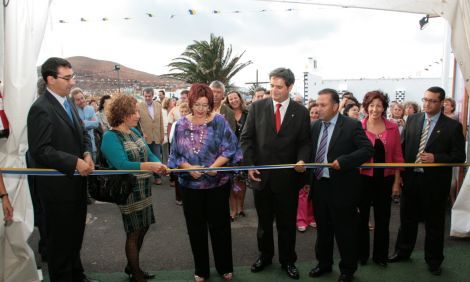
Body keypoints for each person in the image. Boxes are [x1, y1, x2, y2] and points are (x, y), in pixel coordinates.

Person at [27, 57, 97, 282]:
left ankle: (78, 275)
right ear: (50, 79)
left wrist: (86, 154)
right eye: (67, 78)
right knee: (59, 243)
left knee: (75, 237)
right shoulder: (41, 108)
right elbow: (40, 149)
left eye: (72, 76)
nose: (72, 82)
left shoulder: (69, 104)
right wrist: (74, 162)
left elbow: (82, 135)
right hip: (57, 190)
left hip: (76, 186)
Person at [240, 68, 311, 280]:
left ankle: (288, 260)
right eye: (272, 85)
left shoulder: (301, 112)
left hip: (288, 180)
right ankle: (265, 256)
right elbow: (246, 139)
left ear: (290, 87)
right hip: (261, 177)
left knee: (287, 224)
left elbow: (305, 142)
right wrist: (249, 165)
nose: (274, 90)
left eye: (279, 87)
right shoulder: (257, 107)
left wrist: (302, 159)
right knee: (263, 223)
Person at [168, 83, 242, 282]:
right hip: (190, 188)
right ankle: (201, 269)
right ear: (190, 102)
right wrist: (188, 168)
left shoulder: (219, 121)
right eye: (197, 104)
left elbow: (231, 148)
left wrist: (214, 166)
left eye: (205, 105)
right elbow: (174, 155)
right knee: (196, 228)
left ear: (211, 104)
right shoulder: (181, 124)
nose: (201, 109)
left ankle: (224, 266)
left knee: (221, 227)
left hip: (218, 185)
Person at [389, 86, 465, 276]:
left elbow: (459, 156)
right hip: (412, 178)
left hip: (435, 183)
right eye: (425, 99)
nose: (427, 104)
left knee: (434, 223)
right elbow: (404, 148)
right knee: (407, 219)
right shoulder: (413, 120)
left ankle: (434, 260)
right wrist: (401, 176)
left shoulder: (452, 126)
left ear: (441, 103)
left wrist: (436, 158)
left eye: (432, 101)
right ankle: (403, 252)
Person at [308, 88, 373, 282]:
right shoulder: (315, 126)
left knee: (345, 232)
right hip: (320, 186)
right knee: (323, 231)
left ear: (336, 106)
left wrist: (345, 161)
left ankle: (347, 270)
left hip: (343, 188)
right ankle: (324, 264)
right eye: (317, 104)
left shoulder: (351, 125)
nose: (318, 108)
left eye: (323, 105)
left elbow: (367, 149)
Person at [101, 94, 167, 282]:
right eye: (134, 112)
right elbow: (121, 164)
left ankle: (132, 265)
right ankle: (135, 273)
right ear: (122, 114)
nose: (138, 115)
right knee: (133, 232)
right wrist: (149, 167)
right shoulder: (110, 137)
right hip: (128, 191)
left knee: (144, 226)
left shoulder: (134, 132)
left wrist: (159, 164)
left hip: (144, 188)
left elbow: (147, 153)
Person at [357, 91, 404, 267]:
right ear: (366, 107)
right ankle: (362, 255)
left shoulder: (393, 128)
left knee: (383, 220)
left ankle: (380, 257)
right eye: (371, 105)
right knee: (361, 220)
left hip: (386, 180)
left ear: (384, 107)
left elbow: (398, 157)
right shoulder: (358, 127)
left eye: (378, 105)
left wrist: (396, 182)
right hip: (363, 180)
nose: (375, 109)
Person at [224, 90, 249, 221]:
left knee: (242, 182)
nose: (234, 100)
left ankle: (241, 207)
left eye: (235, 98)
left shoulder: (248, 113)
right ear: (228, 101)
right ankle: (233, 210)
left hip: (244, 153)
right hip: (230, 154)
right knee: (232, 183)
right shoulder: (226, 115)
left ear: (240, 98)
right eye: (231, 99)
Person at [296, 103, 319, 232]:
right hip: (305, 163)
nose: (315, 115)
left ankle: (311, 218)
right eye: (312, 113)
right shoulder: (303, 128)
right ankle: (301, 219)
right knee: (303, 192)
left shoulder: (322, 127)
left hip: (317, 164)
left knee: (313, 192)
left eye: (317, 113)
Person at [137, 88, 165, 185]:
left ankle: (158, 177)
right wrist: (141, 133)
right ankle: (145, 178)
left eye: (149, 96)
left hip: (156, 136)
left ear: (152, 96)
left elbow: (161, 121)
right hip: (144, 137)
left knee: (156, 157)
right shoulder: (139, 106)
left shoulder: (158, 105)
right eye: (145, 96)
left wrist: (162, 135)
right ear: (143, 96)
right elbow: (136, 122)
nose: (147, 98)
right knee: (145, 158)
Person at [72, 88, 100, 162]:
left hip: (93, 145)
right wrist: (89, 122)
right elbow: (77, 127)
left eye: (82, 98)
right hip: (81, 148)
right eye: (78, 100)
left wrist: (83, 122)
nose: (81, 101)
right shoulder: (73, 111)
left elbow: (96, 124)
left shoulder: (90, 109)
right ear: (74, 101)